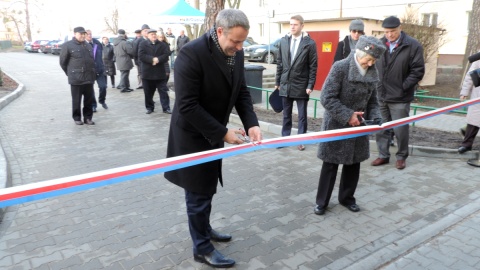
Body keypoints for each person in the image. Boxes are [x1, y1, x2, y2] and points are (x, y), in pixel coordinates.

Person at [164, 9, 262, 268]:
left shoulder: (234, 53)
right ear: (220, 31)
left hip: (214, 132)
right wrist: (223, 132)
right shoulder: (191, 54)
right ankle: (202, 248)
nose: (240, 48)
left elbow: (241, 91)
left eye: (243, 41)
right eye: (236, 41)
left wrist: (251, 123)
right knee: (197, 192)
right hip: (192, 135)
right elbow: (187, 105)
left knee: (207, 187)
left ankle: (204, 229)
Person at [314, 36, 386, 216]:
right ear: (358, 53)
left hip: (358, 126)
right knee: (330, 165)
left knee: (353, 164)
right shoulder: (340, 67)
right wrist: (348, 115)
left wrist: (376, 118)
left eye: (373, 61)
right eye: (368, 59)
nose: (370, 64)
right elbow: (326, 98)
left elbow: (373, 103)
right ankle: (321, 202)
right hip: (336, 124)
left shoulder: (372, 72)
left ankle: (347, 198)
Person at [371, 16, 425, 170]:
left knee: (400, 130)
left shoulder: (413, 45)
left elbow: (418, 71)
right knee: (381, 128)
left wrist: (403, 87)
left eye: (393, 31)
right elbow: (370, 64)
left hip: (400, 97)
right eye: (386, 32)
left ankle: (401, 157)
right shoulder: (378, 44)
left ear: (400, 28)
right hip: (380, 94)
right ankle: (383, 155)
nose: (389, 35)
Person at [275, 14, 318, 151]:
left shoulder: (309, 44)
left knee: (302, 116)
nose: (292, 26)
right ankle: (285, 139)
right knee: (286, 115)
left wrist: (310, 85)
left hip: (301, 85)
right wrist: (277, 81)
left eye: (295, 24)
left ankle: (301, 140)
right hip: (286, 84)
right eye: (291, 24)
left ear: (302, 26)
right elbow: (279, 63)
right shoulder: (283, 41)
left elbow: (313, 66)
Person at [59, 26, 96, 125]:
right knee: (76, 100)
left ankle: (88, 118)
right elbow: (63, 62)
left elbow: (92, 60)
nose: (83, 36)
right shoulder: (68, 45)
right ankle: (77, 118)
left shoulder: (88, 45)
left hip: (89, 78)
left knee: (89, 100)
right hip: (76, 79)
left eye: (84, 34)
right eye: (80, 34)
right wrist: (70, 73)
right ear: (75, 34)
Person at [138, 29, 172, 115]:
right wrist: (152, 59)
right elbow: (141, 56)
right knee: (148, 92)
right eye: (152, 34)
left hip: (160, 72)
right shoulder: (143, 44)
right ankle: (149, 107)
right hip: (147, 72)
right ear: (148, 36)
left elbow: (166, 55)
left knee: (163, 91)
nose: (154, 36)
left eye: (154, 34)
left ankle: (166, 108)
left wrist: (158, 59)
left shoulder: (162, 44)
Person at [458, 58, 480, 154]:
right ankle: (466, 145)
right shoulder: (478, 58)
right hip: (478, 95)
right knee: (473, 121)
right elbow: (470, 75)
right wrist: (464, 92)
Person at [85, 30, 108, 111]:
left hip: (99, 69)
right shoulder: (83, 44)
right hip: (89, 71)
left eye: (90, 34)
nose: (89, 35)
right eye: (87, 34)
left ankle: (102, 100)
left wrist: (102, 65)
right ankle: (93, 105)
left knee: (103, 87)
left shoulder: (97, 42)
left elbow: (101, 55)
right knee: (90, 89)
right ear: (84, 35)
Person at [133, 24, 150, 89]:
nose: (147, 32)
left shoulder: (151, 39)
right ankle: (141, 84)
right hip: (141, 61)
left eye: (148, 31)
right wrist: (136, 61)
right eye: (145, 31)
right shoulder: (138, 41)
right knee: (141, 73)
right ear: (142, 32)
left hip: (149, 60)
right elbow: (134, 52)